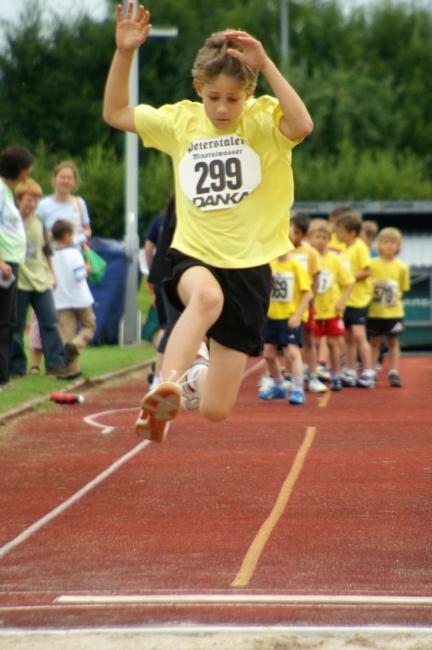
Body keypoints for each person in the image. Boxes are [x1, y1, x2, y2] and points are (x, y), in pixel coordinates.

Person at [103, 5, 313, 442]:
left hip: (251, 267)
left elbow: (303, 125)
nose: (222, 108)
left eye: (233, 99)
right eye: (213, 97)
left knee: (217, 409)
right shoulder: (181, 121)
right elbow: (117, 111)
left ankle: (195, 379)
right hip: (194, 252)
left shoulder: (263, 119)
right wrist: (125, 52)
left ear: (249, 92)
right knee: (205, 298)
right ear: (199, 88)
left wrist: (267, 64)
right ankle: (168, 383)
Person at [10, 179, 78, 379]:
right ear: (20, 199)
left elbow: (47, 250)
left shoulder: (39, 222)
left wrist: (52, 273)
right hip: (20, 279)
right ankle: (16, 367)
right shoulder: (11, 221)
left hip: (41, 279)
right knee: (17, 324)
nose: (32, 204)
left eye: (36, 200)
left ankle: (55, 364)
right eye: (29, 200)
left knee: (50, 320)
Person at [0, 145, 34, 390]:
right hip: (4, 265)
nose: (29, 173)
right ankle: (2, 377)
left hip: (11, 262)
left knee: (10, 321)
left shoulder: (8, 192)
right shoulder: (1, 191)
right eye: (27, 168)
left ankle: (5, 373)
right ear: (19, 168)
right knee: (4, 321)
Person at [259, 251, 311, 405]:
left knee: (292, 353)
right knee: (268, 354)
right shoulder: (270, 264)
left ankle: (298, 389)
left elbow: (307, 293)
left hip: (289, 316)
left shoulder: (295, 265)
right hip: (271, 316)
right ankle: (279, 385)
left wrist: (297, 315)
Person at [308, 219, 354, 391]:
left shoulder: (334, 260)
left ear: (329, 239)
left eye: (324, 237)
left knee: (333, 343)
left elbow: (349, 282)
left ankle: (336, 375)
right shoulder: (308, 257)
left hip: (331, 309)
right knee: (312, 343)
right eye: (317, 236)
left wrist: (342, 301)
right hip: (312, 309)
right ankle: (312, 373)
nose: (320, 240)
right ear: (311, 238)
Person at [51, 219, 97, 376]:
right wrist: (87, 269)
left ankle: (71, 370)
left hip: (61, 300)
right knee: (89, 326)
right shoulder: (74, 253)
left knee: (66, 334)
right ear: (66, 236)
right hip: (80, 298)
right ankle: (76, 345)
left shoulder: (51, 256)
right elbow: (79, 275)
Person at [335, 210, 375, 388]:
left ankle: (368, 371)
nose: (337, 234)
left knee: (359, 334)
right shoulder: (344, 250)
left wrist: (350, 277)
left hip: (359, 298)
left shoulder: (360, 247)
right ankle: (351, 371)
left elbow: (367, 270)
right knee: (348, 336)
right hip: (346, 300)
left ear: (351, 232)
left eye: (340, 231)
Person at [289, 212, 327, 393]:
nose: (290, 234)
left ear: (304, 235)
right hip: (285, 306)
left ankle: (312, 376)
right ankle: (290, 375)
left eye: (295, 231)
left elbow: (316, 277)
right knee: (286, 343)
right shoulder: (281, 250)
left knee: (309, 340)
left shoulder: (310, 253)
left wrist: (311, 299)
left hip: (304, 304)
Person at [367, 227, 410, 387]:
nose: (389, 246)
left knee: (393, 341)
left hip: (394, 311)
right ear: (379, 245)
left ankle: (394, 372)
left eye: (393, 243)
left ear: (398, 246)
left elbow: (404, 289)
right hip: (376, 311)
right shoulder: (372, 264)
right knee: (375, 341)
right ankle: (371, 371)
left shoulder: (402, 267)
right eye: (385, 242)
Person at [37, 160, 91, 248]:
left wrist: (76, 238)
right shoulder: (42, 205)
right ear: (55, 179)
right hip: (51, 257)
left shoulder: (79, 203)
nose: (66, 181)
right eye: (62, 177)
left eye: (69, 178)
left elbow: (87, 230)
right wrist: (53, 235)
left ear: (74, 182)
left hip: (76, 257)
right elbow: (35, 231)